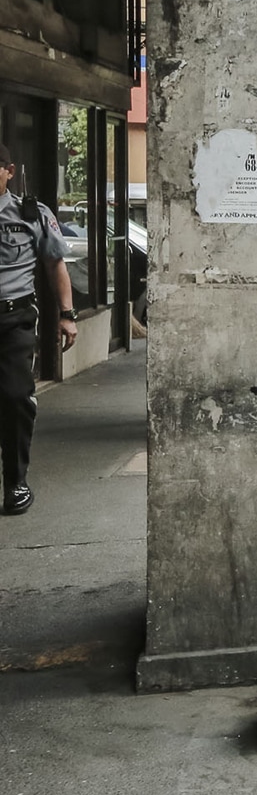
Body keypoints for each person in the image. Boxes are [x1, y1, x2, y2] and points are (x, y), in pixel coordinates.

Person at [0, 142, 79, 516]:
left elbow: (54, 265)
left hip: (13, 320)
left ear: (9, 172)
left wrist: (67, 314)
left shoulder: (30, 213)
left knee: (15, 397)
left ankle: (15, 483)